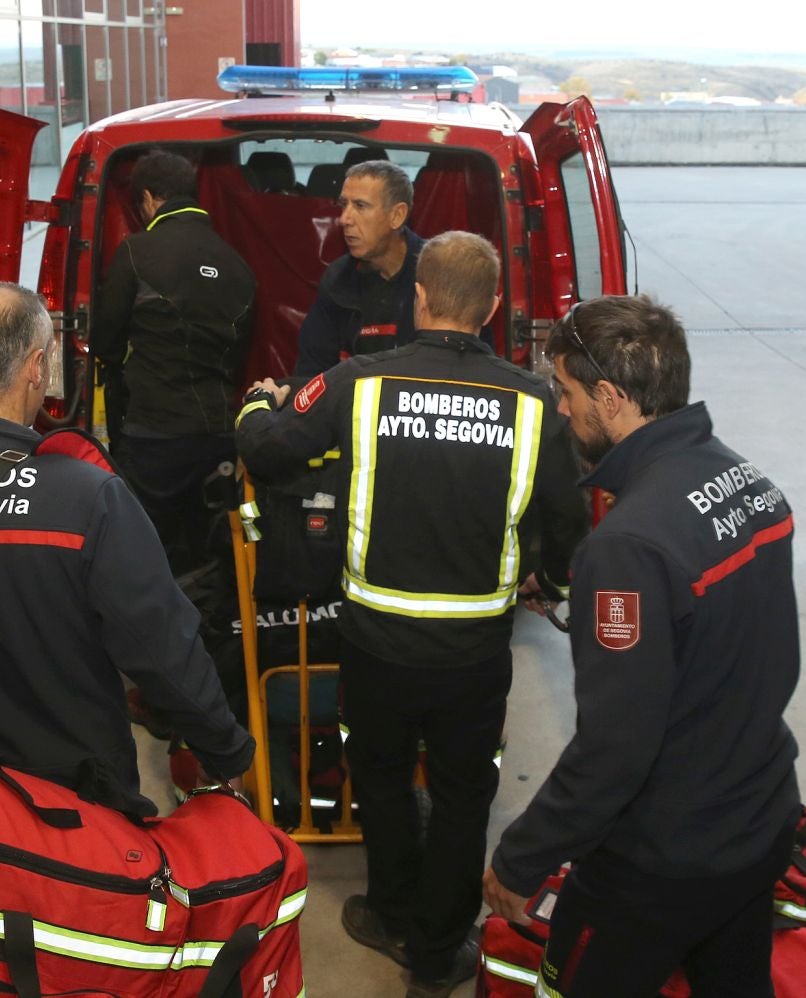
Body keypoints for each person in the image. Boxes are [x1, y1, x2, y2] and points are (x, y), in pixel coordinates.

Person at [237, 232, 587, 998]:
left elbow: (269, 450)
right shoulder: (533, 403)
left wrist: (258, 404)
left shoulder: (358, 381)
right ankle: (438, 947)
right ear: (492, 307)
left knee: (383, 777)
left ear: (419, 298)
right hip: (475, 651)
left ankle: (389, 910)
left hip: (376, 641)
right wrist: (548, 579)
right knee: (466, 791)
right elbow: (568, 520)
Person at [483, 295, 803, 997]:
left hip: (664, 863)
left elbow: (614, 748)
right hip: (759, 821)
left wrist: (520, 856)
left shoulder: (626, 549)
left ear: (610, 396)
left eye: (566, 393)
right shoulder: (749, 483)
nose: (561, 410)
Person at [0, 282, 253, 815]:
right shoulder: (89, 500)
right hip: (68, 816)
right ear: (36, 368)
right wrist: (225, 749)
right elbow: (161, 650)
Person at [90, 151, 257, 572]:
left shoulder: (137, 251)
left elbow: (105, 344)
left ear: (148, 199)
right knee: (209, 550)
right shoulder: (239, 265)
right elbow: (237, 353)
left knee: (146, 551)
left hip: (154, 435)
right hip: (219, 434)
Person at [291, 159, 428, 378]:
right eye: (343, 204)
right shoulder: (337, 279)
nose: (344, 219)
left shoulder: (439, 274)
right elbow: (311, 371)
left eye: (360, 206)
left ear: (397, 215)